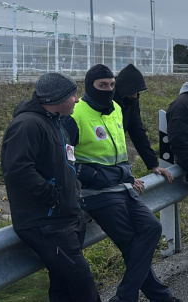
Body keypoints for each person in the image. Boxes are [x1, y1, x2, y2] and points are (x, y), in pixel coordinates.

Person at [71, 64, 179, 302]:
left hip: (123, 187)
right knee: (132, 245)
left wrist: (134, 174)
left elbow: (131, 138)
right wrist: (92, 176)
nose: (108, 90)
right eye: (102, 86)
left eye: (111, 85)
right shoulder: (76, 114)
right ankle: (159, 297)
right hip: (97, 193)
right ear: (90, 86)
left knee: (151, 228)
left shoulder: (118, 109)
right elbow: (64, 158)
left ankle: (127, 297)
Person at [1, 73, 100, 302]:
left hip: (64, 219)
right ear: (57, 98)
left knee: (63, 288)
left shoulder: (57, 124)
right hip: (47, 223)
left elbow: (66, 165)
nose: (77, 100)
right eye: (72, 94)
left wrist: (73, 194)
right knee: (83, 287)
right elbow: (17, 170)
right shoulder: (27, 125)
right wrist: (52, 197)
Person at [113, 63, 174, 183]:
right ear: (123, 89)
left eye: (137, 92)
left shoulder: (132, 101)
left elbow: (138, 132)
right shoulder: (107, 103)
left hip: (118, 158)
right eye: (132, 92)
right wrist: (126, 176)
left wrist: (153, 164)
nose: (135, 96)